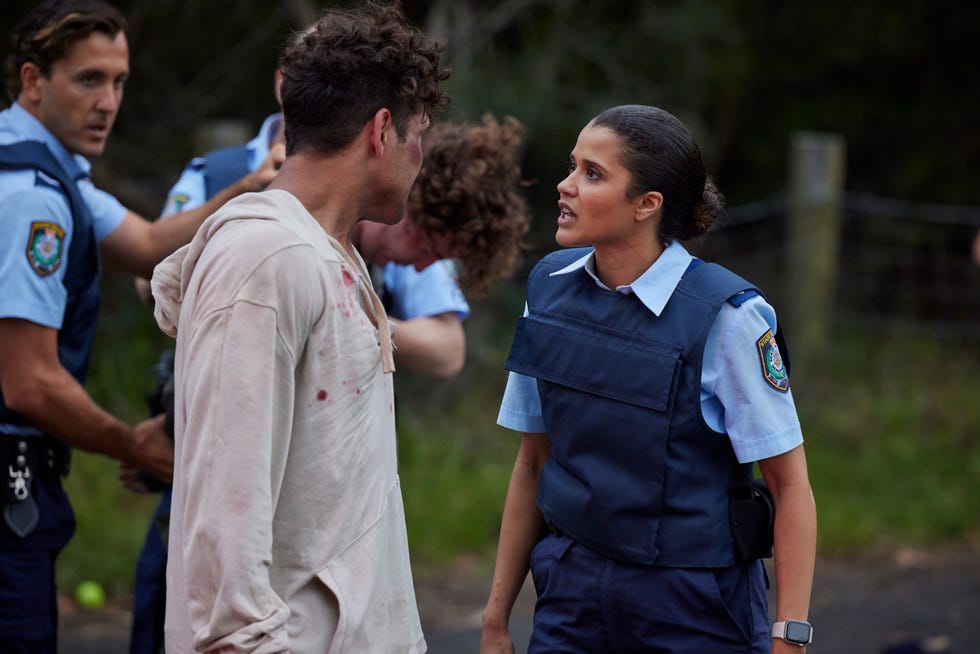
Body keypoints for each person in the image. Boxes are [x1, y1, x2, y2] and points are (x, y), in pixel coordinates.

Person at [130, 106, 530, 653]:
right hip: (213, 486)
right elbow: (149, 275)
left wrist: (354, 316)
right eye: (428, 248)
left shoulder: (351, 254)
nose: (420, 267)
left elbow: (447, 352)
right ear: (379, 134)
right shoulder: (254, 226)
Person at [149, 3, 449, 651]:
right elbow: (221, 532)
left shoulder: (327, 252)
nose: (421, 155)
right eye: (418, 133)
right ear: (381, 130)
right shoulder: (266, 260)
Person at [480, 105, 817, 654]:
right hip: (570, 602)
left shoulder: (728, 318)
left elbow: (790, 484)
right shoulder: (545, 291)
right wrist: (496, 620)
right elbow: (533, 462)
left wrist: (790, 640)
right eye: (572, 167)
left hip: (695, 609)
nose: (564, 186)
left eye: (592, 173)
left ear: (647, 205)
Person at [0, 2, 279, 651]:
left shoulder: (39, 165)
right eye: (88, 80)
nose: (108, 101)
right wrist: (135, 443)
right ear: (33, 80)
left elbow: (150, 241)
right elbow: (30, 383)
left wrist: (253, 185)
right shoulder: (31, 197)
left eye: (119, 81)